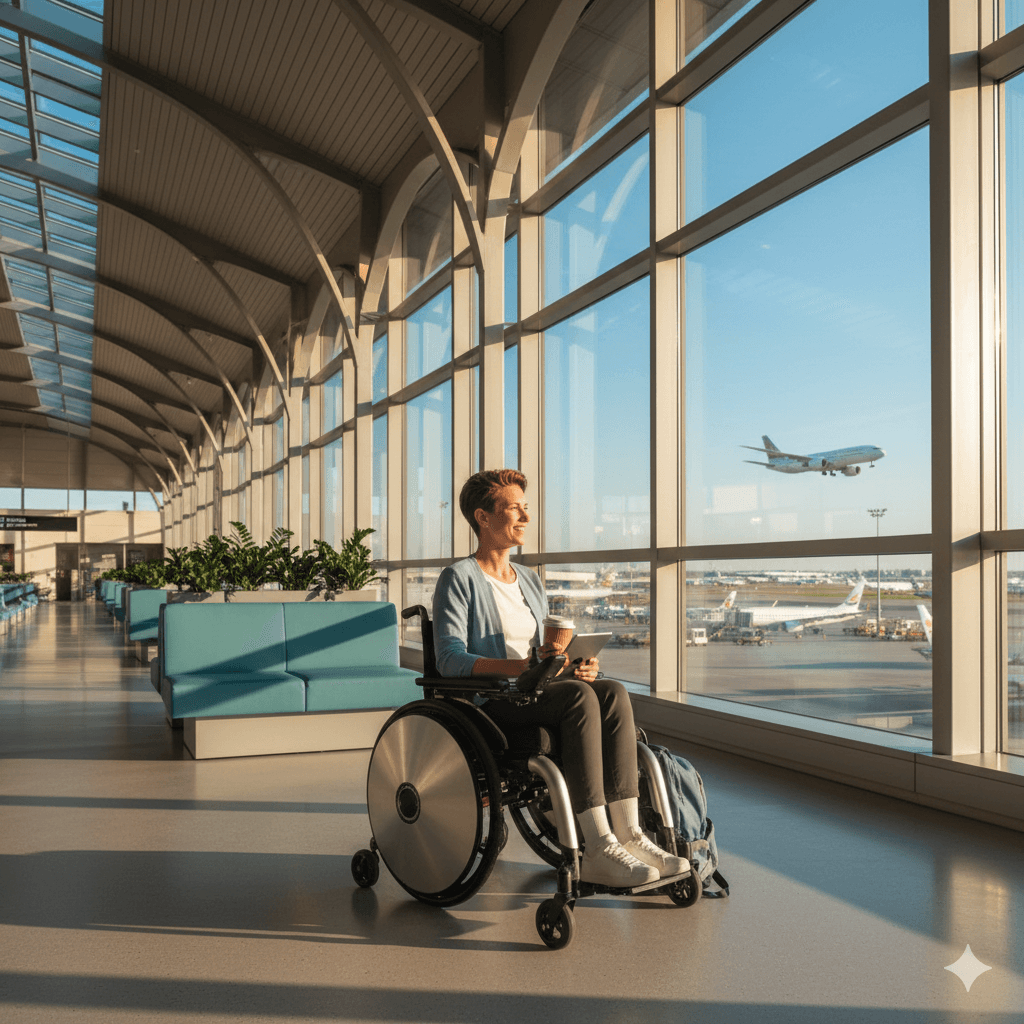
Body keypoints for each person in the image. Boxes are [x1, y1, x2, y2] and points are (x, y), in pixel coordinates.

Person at [432, 469, 687, 887]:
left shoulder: (529, 580)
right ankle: (599, 843)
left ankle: (630, 834)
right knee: (578, 700)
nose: (525, 517)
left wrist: (571, 664)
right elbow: (449, 659)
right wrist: (522, 668)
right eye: (514, 508)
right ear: (483, 517)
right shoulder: (459, 578)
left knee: (609, 691)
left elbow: (541, 651)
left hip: (535, 690)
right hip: (494, 704)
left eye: (525, 508)